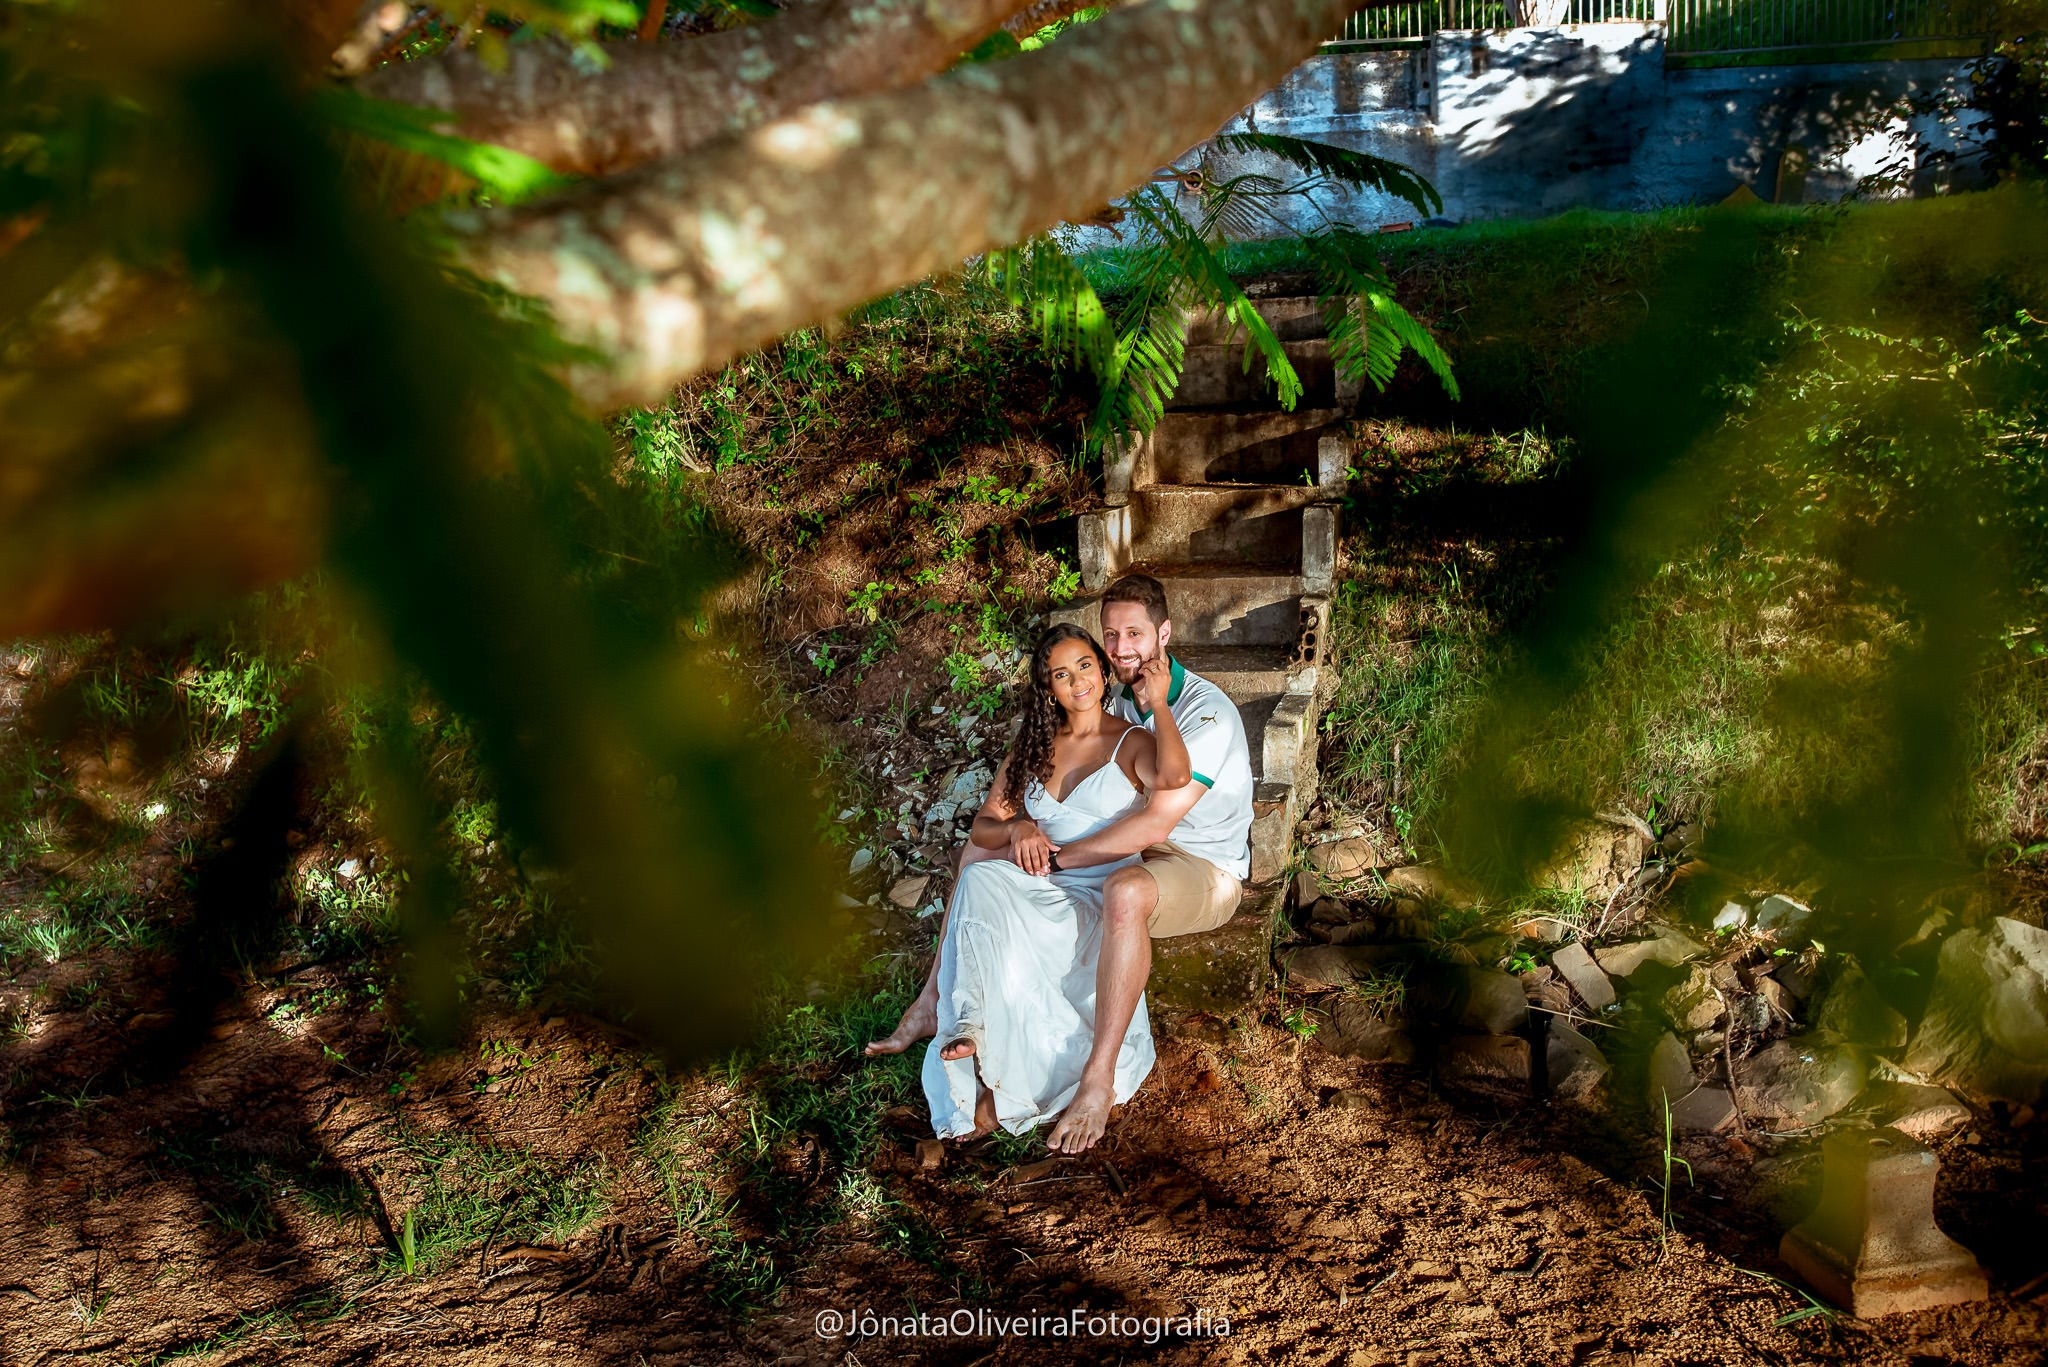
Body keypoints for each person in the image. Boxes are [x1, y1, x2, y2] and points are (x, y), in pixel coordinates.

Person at [915, 624, 1193, 1141]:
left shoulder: (1132, 742)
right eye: (1061, 674)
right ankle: (969, 1026)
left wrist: (1160, 707)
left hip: (1097, 900)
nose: (1077, 681)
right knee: (979, 874)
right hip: (1040, 889)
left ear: (1103, 670)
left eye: (1085, 665)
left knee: (988, 881)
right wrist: (1018, 825)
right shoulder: (1036, 745)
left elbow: (1175, 780)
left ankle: (1031, 1076)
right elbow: (982, 828)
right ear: (1048, 688)